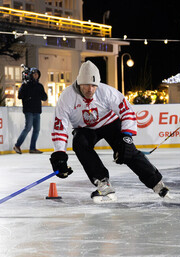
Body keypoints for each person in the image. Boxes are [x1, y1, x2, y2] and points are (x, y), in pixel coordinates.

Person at [49, 61, 169, 203]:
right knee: (80, 144)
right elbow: (60, 125)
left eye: (94, 85)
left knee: (127, 151)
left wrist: (127, 136)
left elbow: (127, 111)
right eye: (86, 85)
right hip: (85, 128)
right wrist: (59, 153)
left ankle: (156, 183)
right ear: (79, 83)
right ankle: (102, 182)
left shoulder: (107, 91)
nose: (90, 89)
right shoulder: (67, 97)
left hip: (109, 123)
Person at [13, 67, 48, 154]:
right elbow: (20, 96)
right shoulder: (25, 85)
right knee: (28, 127)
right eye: (34, 74)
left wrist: (41, 95)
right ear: (31, 75)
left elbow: (44, 97)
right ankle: (17, 145)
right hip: (28, 110)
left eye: (37, 74)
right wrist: (27, 92)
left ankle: (32, 148)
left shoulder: (39, 86)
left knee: (36, 129)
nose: (36, 75)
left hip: (36, 110)